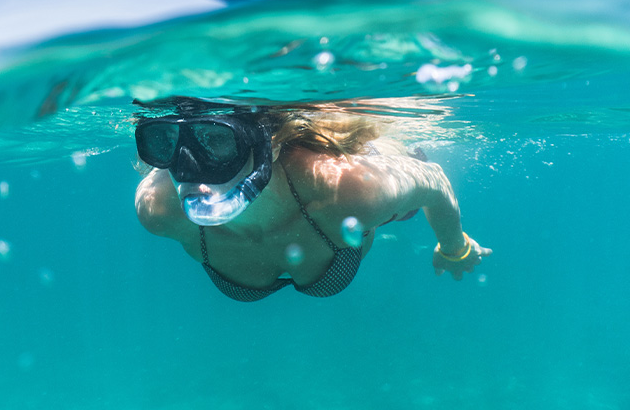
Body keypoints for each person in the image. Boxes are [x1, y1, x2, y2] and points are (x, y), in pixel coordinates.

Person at [134, 98, 492, 301]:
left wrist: (454, 247)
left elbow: (436, 180)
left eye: (217, 141)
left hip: (351, 173)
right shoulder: (158, 209)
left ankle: (398, 152)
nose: (187, 168)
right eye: (164, 143)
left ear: (269, 146)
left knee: (401, 202)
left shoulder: (348, 190)